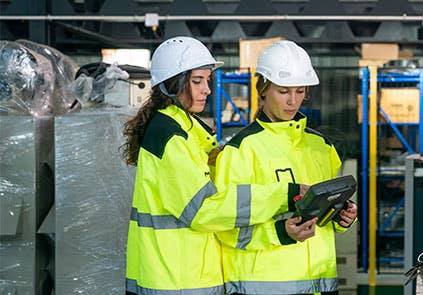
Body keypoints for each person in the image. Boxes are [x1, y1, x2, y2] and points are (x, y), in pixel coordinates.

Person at [120, 36, 314, 294]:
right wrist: (285, 194)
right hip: (176, 282)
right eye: (197, 81)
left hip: (185, 276)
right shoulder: (170, 136)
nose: (207, 90)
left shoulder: (184, 133)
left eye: (207, 81)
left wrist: (280, 231)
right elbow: (204, 210)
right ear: (172, 84)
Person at [214, 40, 358, 295]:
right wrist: (280, 232)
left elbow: (322, 214)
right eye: (283, 91)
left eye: (300, 91)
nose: (293, 101)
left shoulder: (322, 147)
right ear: (263, 89)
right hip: (264, 288)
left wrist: (340, 216)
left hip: (320, 285)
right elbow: (225, 229)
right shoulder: (240, 151)